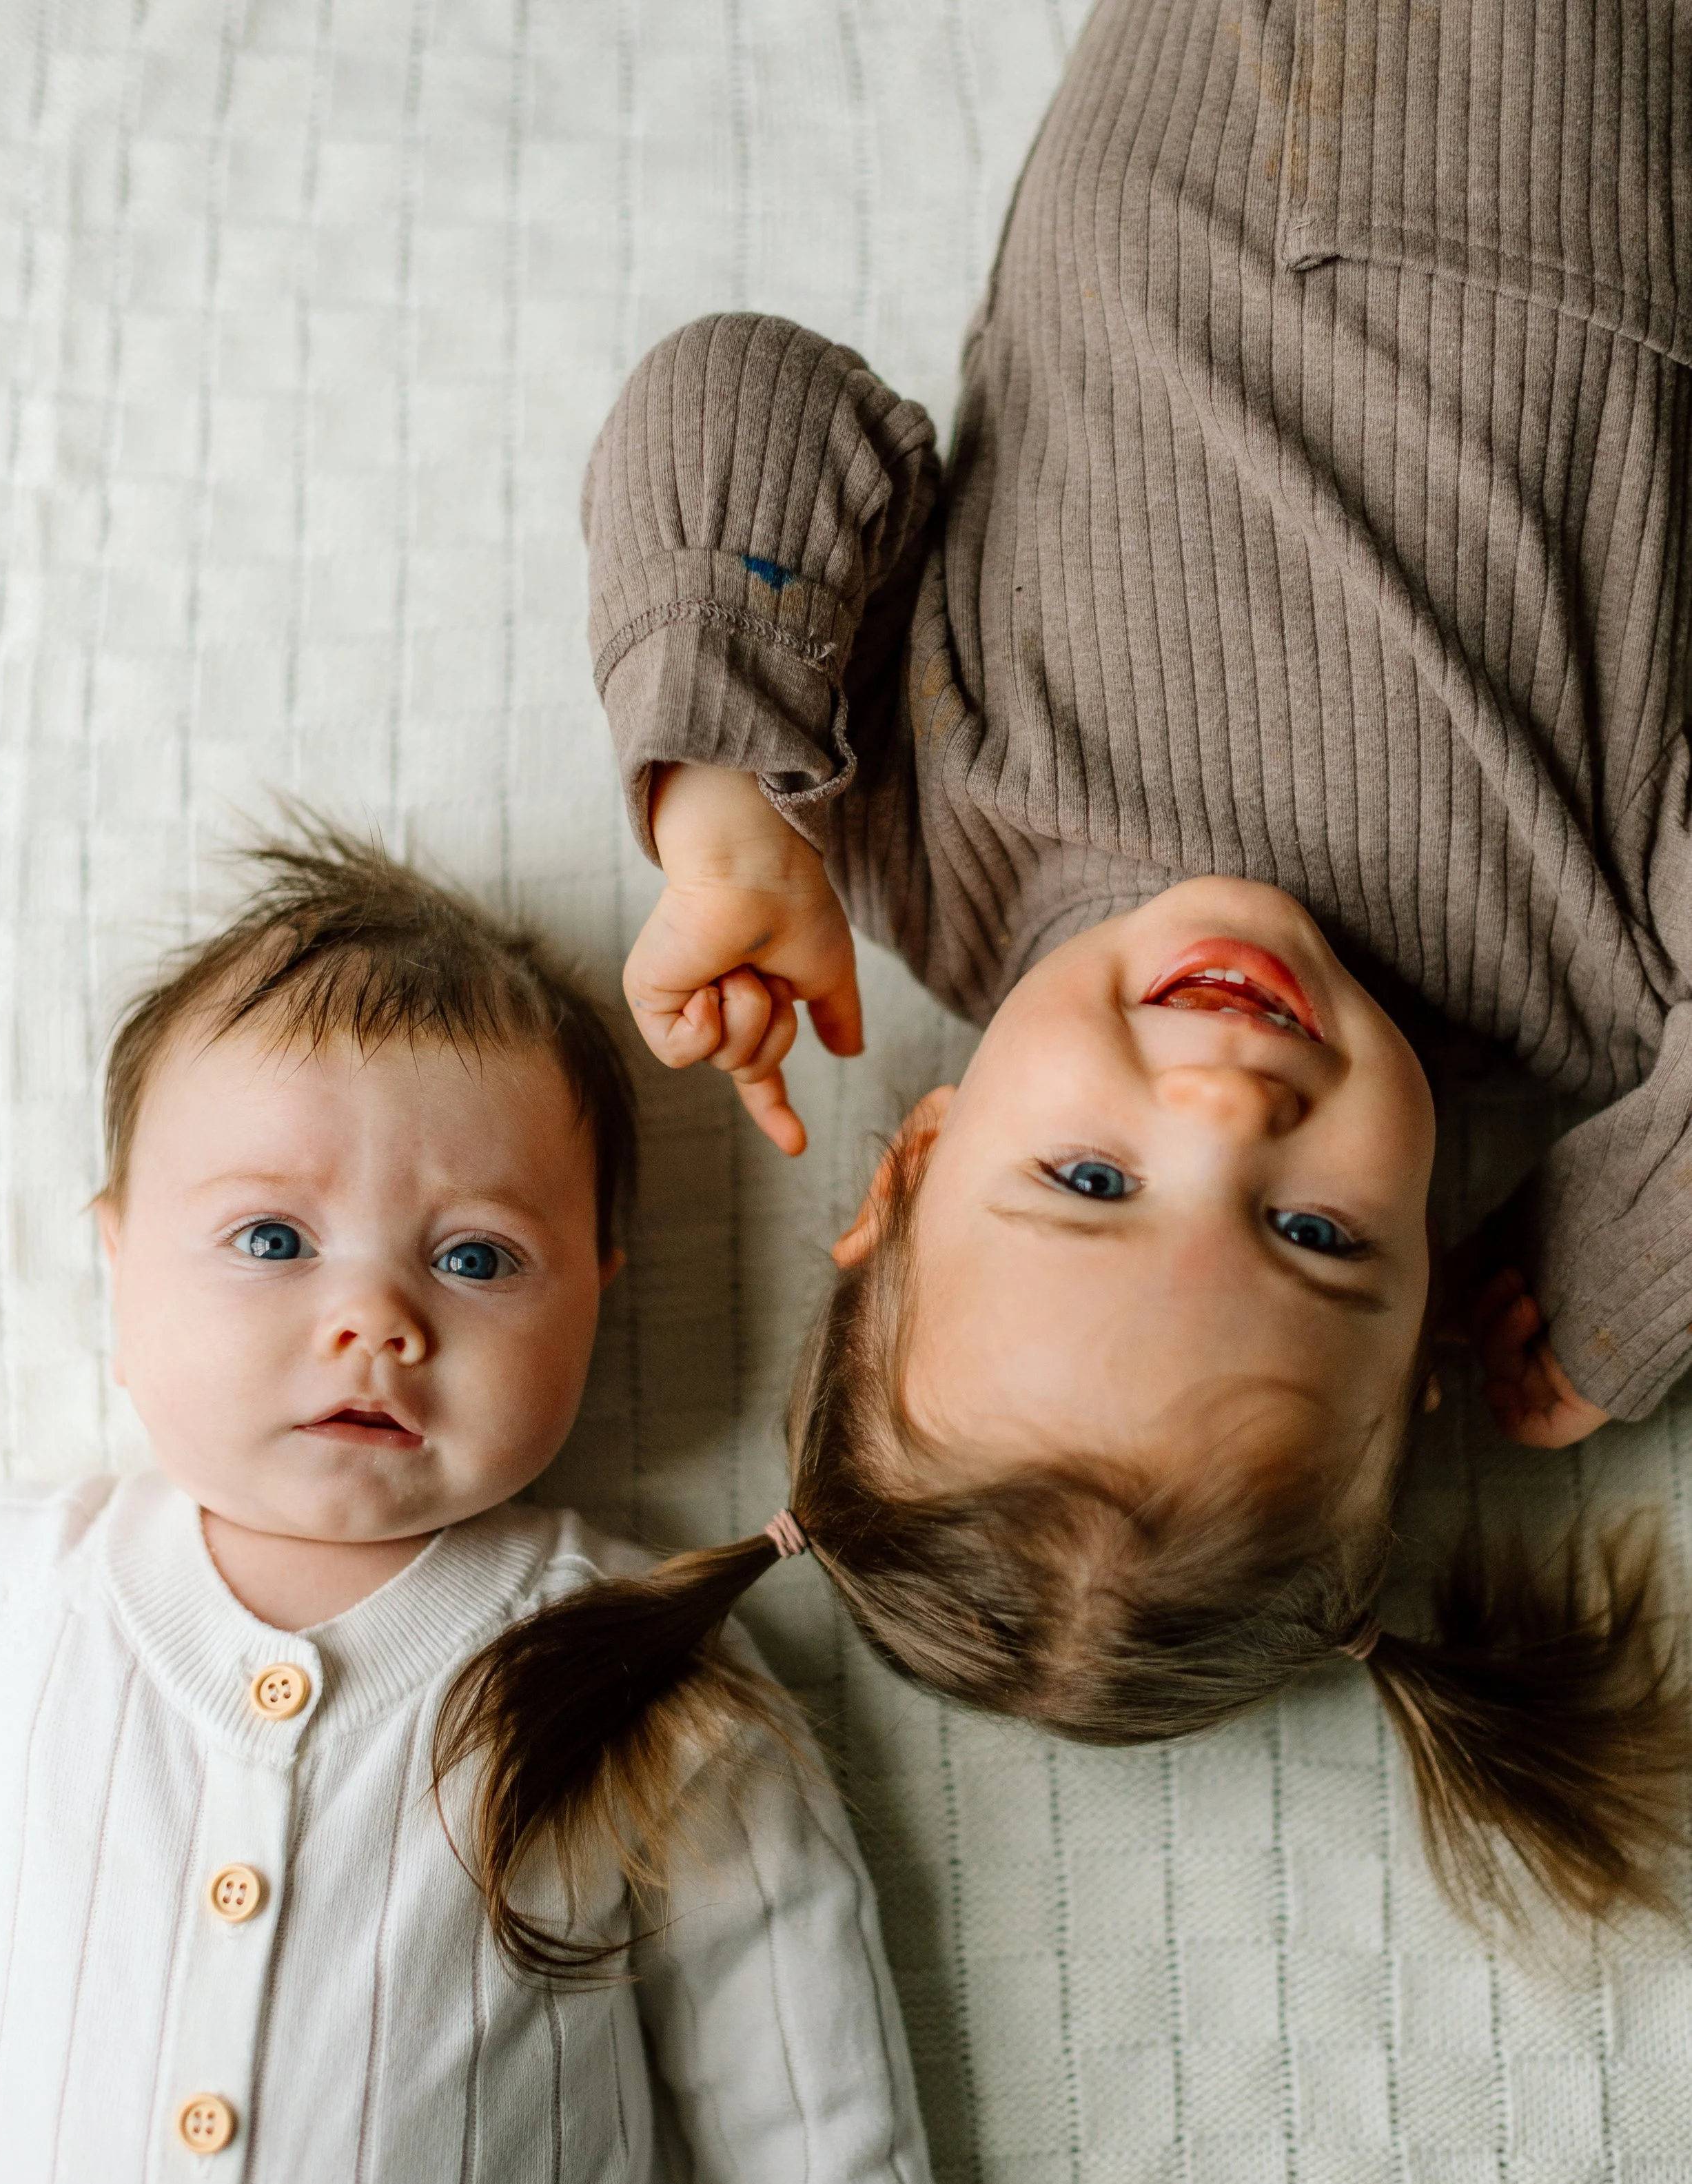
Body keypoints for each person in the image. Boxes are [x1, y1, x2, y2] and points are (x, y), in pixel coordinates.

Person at [576, 0, 1692, 1919]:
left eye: (1088, 1182)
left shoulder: (911, 837)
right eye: (1316, 1236)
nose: (1226, 1106)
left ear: (906, 1163)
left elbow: (748, 393)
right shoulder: (1581, 983)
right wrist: (1632, 1253)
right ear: (1438, 1302)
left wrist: (722, 789)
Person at [0, 826, 948, 2184]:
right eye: (269, 1237)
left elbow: (778, 1963)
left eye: (479, 1260)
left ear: (597, 1294)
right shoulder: (11, 1596)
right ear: (114, 1264)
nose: (374, 1318)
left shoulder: (624, 1647)